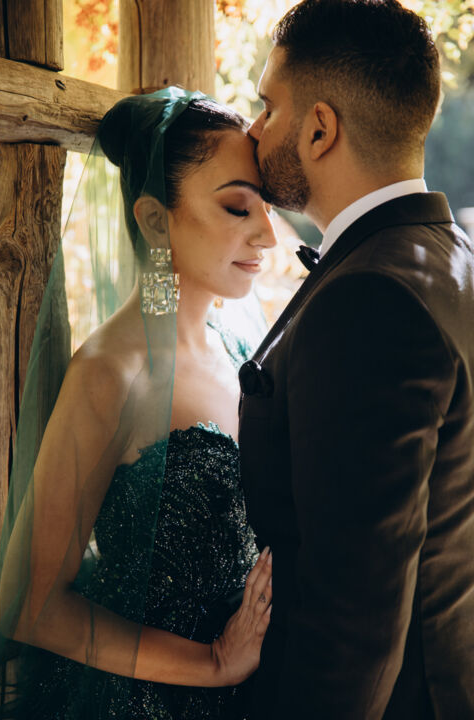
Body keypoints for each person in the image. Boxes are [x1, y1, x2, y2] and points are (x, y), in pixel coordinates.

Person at [0, 88, 276, 719]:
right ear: (154, 221)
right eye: (238, 207)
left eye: (266, 206)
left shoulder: (238, 349)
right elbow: (32, 604)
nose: (267, 234)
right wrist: (213, 663)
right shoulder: (109, 374)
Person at [238, 1, 474, 718]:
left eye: (267, 107)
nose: (253, 130)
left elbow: (355, 625)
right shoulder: (451, 256)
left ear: (320, 128)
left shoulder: (369, 298)